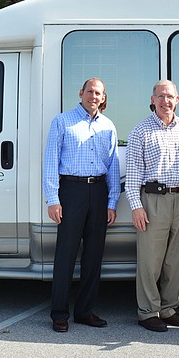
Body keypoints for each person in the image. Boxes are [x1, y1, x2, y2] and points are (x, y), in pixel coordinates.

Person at [126, 80, 179, 332]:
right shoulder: (140, 131)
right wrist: (136, 207)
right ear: (153, 99)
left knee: (176, 259)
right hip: (153, 201)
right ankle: (148, 311)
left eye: (169, 96)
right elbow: (134, 174)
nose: (165, 101)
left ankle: (169, 308)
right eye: (160, 96)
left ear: (177, 99)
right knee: (150, 260)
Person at [43, 78, 121, 333]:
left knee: (93, 256)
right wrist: (53, 199)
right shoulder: (62, 121)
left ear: (103, 97)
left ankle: (85, 311)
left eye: (98, 93)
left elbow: (112, 167)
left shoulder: (108, 126)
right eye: (90, 91)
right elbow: (51, 162)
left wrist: (111, 202)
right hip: (71, 190)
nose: (93, 96)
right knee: (65, 255)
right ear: (81, 93)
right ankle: (59, 313)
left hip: (98, 191)